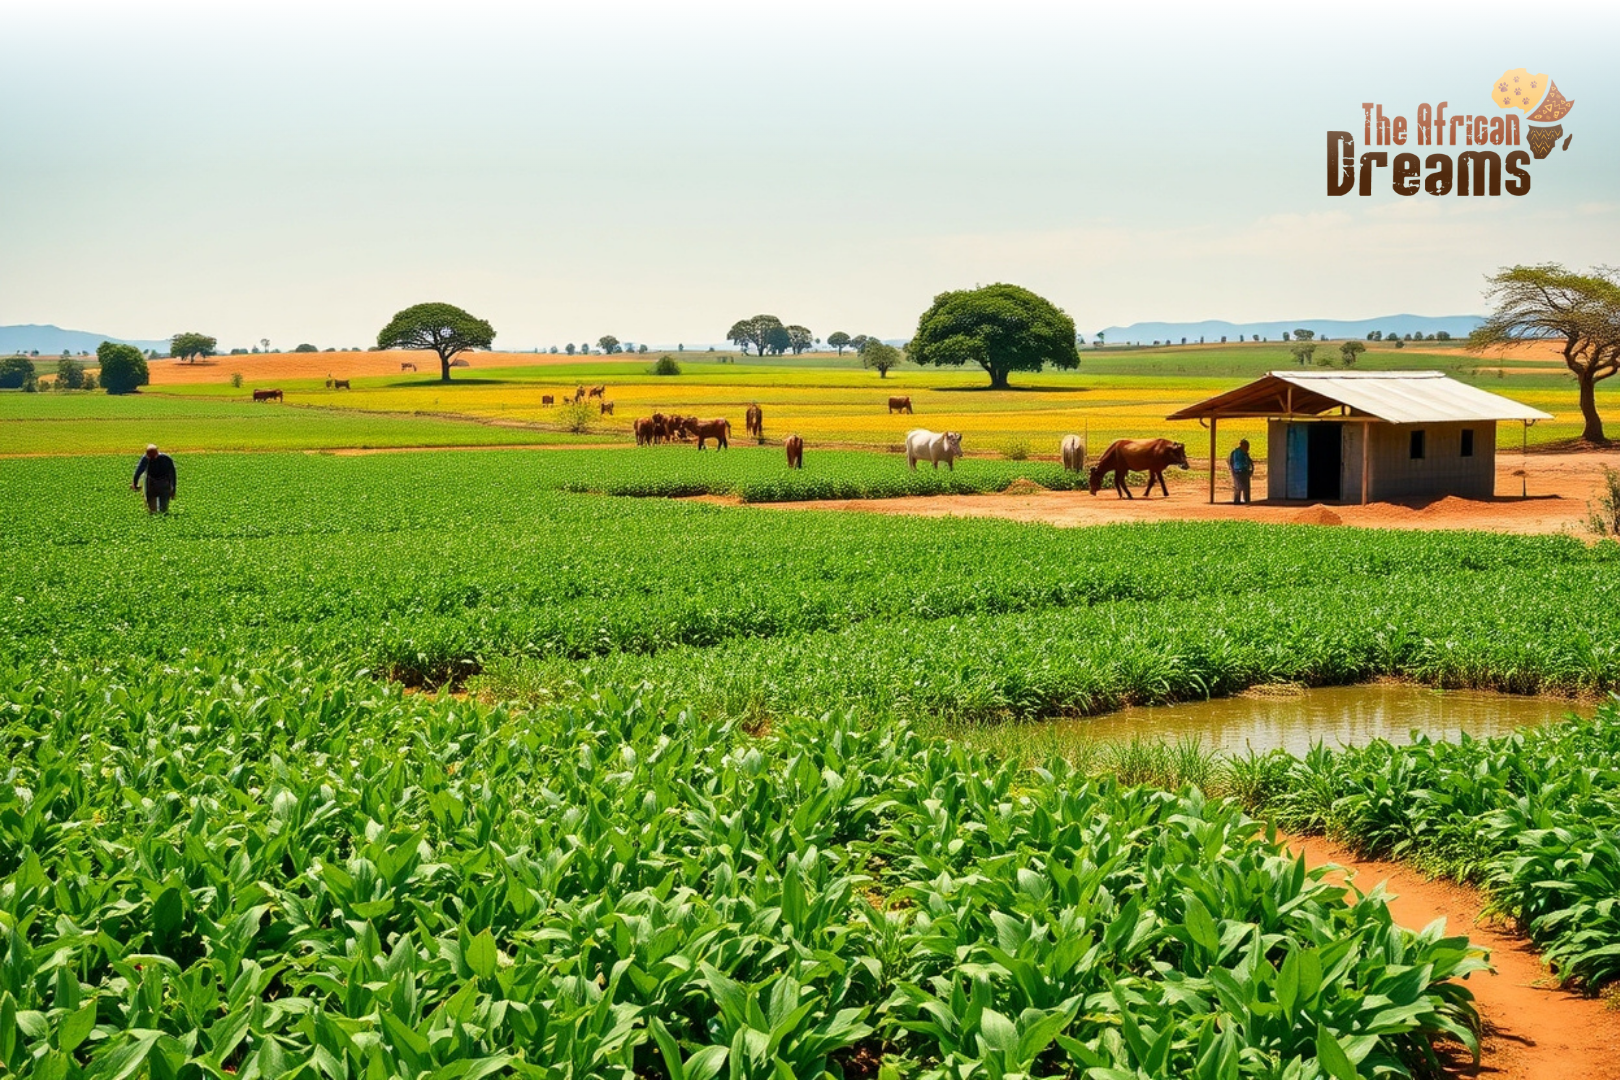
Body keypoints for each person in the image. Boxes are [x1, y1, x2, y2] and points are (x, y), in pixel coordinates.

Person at [132, 443, 177, 514]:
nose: (151, 458)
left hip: (164, 484)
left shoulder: (166, 459)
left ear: (157, 452)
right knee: (152, 510)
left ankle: (163, 518)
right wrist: (135, 483)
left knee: (164, 509)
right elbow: (138, 471)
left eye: (153, 456)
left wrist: (173, 488)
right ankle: (153, 516)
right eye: (149, 456)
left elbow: (172, 474)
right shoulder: (145, 459)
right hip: (151, 484)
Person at [1227, 438, 1254, 505]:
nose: (1248, 448)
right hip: (1238, 472)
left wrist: (1251, 470)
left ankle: (1245, 501)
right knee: (1238, 487)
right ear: (1242, 446)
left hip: (1244, 471)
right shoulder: (1236, 453)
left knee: (1244, 488)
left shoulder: (1244, 453)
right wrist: (1232, 470)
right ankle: (1238, 501)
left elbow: (1250, 462)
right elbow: (1230, 462)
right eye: (1247, 446)